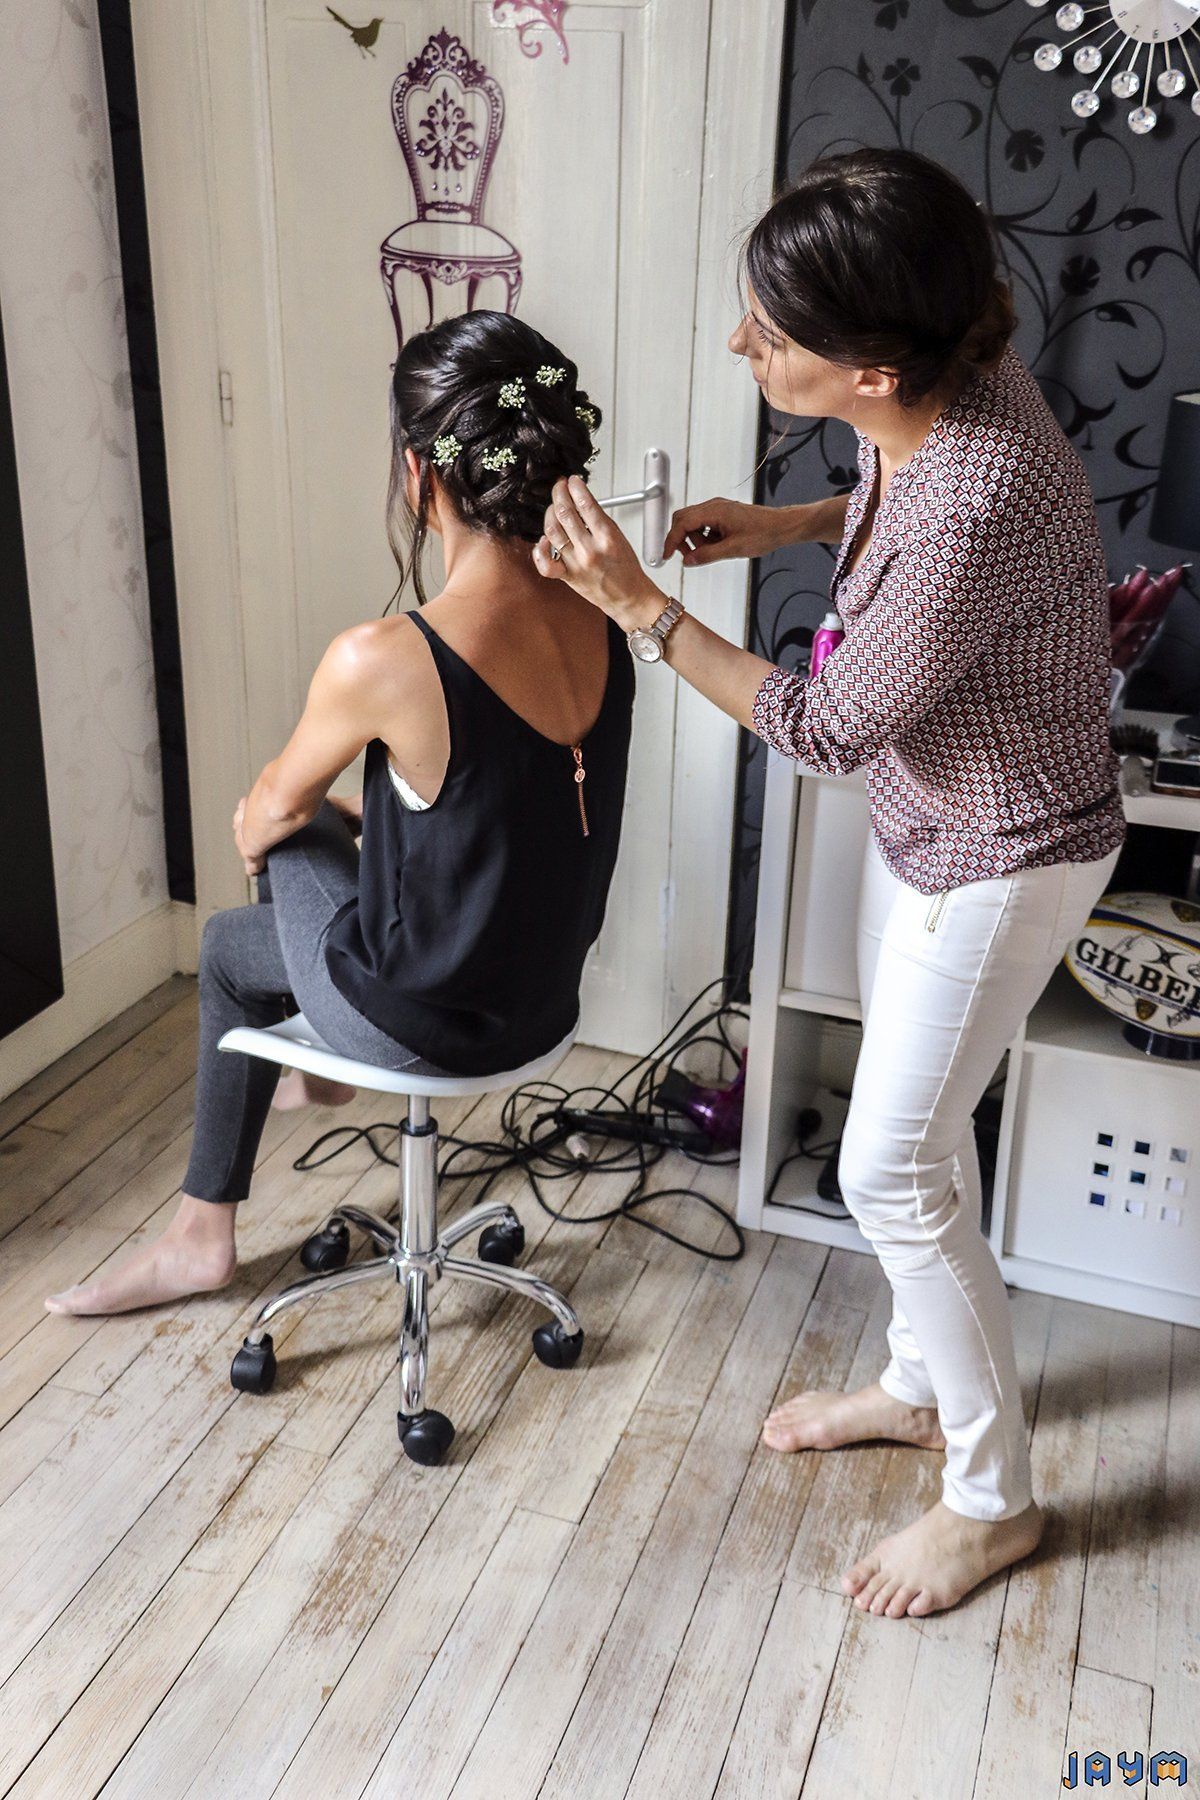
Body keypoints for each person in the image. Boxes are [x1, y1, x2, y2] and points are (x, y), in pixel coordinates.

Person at [533, 147, 1124, 1619]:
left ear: (869, 366)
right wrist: (788, 524)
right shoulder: (950, 388)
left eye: (771, 336)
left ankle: (994, 1500)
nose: (744, 345)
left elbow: (821, 728)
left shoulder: (974, 498)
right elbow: (887, 495)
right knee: (922, 1132)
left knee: (886, 1168)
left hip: (1004, 852)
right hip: (931, 830)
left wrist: (640, 607)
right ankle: (923, 1387)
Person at [46, 311, 633, 1319]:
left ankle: (204, 1232)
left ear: (421, 474)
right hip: (544, 1009)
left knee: (248, 911)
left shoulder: (386, 655)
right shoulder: (606, 616)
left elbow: (267, 820)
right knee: (350, 817)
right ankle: (316, 1056)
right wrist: (383, 817)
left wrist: (297, 811)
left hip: (422, 1024)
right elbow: (504, 809)